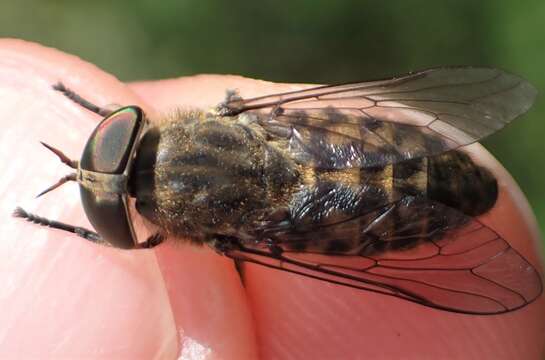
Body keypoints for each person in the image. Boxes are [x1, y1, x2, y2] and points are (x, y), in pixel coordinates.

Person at [1, 39, 544, 359]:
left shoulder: (217, 235)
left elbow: (142, 248)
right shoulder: (232, 118)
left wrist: (64, 228)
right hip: (372, 149)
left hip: (317, 217)